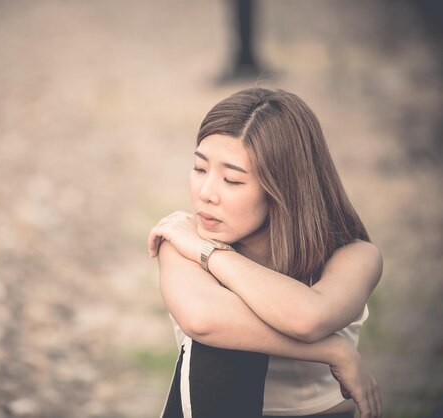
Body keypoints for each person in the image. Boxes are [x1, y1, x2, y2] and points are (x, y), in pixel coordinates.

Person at [147, 87, 383, 418]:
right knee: (220, 344)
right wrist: (333, 350)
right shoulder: (182, 239)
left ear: (282, 188)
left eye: (232, 180)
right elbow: (202, 320)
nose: (206, 193)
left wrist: (212, 255)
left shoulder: (355, 256)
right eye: (199, 169)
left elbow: (308, 318)